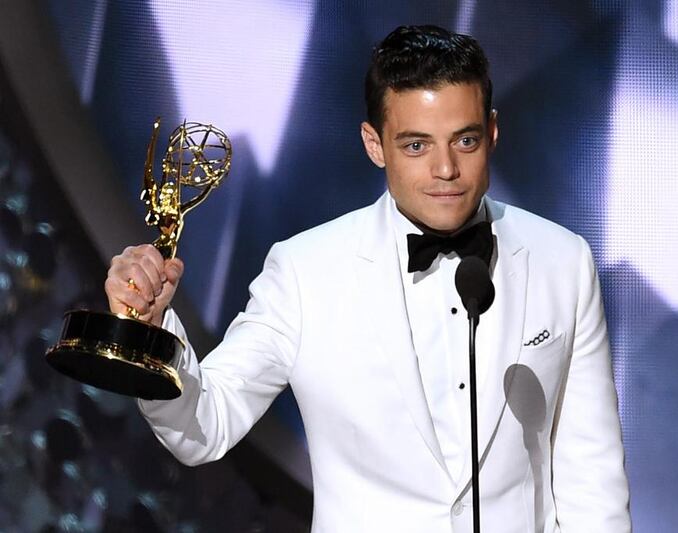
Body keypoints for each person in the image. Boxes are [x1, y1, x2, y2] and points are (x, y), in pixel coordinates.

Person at [106, 25, 631, 532]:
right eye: (416, 146)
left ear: (491, 132)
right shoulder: (305, 272)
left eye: (464, 141)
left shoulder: (562, 261)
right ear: (375, 144)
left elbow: (593, 477)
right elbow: (205, 426)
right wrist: (150, 336)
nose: (445, 169)